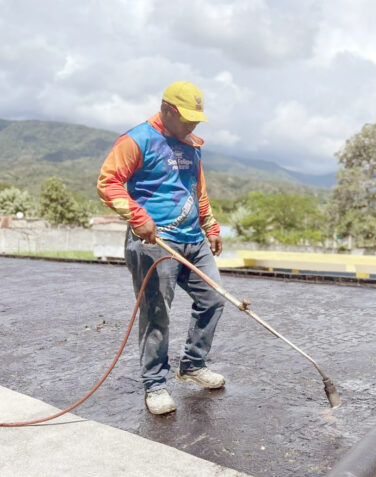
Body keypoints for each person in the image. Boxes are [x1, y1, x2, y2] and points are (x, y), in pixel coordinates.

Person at [97, 81, 226, 415]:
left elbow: (196, 189)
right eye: (187, 118)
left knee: (213, 298)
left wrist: (209, 224)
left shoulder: (191, 144)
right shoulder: (137, 140)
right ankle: (155, 385)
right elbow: (108, 182)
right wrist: (138, 216)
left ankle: (193, 365)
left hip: (192, 240)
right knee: (157, 313)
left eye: (197, 119)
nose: (193, 124)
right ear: (168, 110)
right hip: (154, 244)